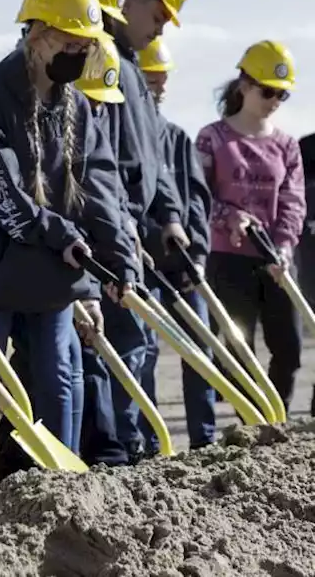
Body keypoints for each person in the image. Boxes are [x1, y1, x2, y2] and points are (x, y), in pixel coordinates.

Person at [0, 0, 137, 500]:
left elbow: (98, 183)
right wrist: (59, 232)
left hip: (55, 269)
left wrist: (118, 260)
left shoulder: (74, 104)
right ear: (37, 34)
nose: (78, 55)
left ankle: (62, 490)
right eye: (70, 44)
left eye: (85, 47)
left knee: (57, 380)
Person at [59, 0, 190, 466]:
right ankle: (108, 448)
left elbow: (152, 157)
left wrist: (171, 216)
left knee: (137, 344)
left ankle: (130, 440)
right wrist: (119, 226)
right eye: (156, 16)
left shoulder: (132, 68)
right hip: (107, 227)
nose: (158, 30)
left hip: (134, 225)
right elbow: (98, 162)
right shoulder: (99, 61)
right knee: (105, 342)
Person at [197, 40, 305, 411]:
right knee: (238, 350)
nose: (275, 100)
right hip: (229, 260)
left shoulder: (288, 147)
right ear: (244, 85)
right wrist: (229, 217)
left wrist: (285, 246)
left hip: (276, 261)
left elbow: (293, 200)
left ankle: (277, 415)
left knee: (289, 350)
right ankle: (253, 424)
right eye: (268, 91)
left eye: (283, 94)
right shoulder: (212, 138)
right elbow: (197, 198)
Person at [136, 37, 217, 450]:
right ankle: (151, 444)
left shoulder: (177, 139)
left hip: (183, 264)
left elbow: (197, 203)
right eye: (152, 79)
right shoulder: (123, 139)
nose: (160, 88)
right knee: (144, 349)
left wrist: (197, 256)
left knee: (200, 346)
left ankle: (204, 439)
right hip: (143, 265)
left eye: (163, 80)